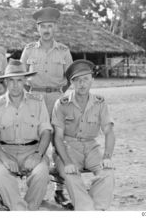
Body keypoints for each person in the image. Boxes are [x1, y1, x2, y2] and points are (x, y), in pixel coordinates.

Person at [20, 7, 73, 207]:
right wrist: (33, 94)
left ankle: (59, 191)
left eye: (50, 26)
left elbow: (69, 79)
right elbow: (22, 77)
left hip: (57, 100)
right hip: (34, 99)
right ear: (38, 29)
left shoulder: (64, 51)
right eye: (43, 26)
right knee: (33, 144)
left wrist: (57, 93)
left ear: (55, 27)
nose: (46, 30)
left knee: (59, 144)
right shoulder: (29, 50)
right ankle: (35, 190)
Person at [0, 59, 52, 210]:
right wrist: (4, 158)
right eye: (11, 81)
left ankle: (26, 209)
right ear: (5, 82)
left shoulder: (38, 101)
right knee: (0, 175)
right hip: (4, 152)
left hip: (32, 150)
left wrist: (38, 155)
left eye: (19, 80)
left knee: (41, 174)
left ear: (25, 81)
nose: (15, 85)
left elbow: (46, 132)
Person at [52, 59, 115, 210]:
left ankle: (95, 209)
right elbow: (58, 137)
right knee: (72, 176)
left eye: (85, 79)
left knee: (108, 173)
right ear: (71, 83)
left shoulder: (100, 102)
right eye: (77, 80)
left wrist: (107, 156)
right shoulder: (61, 104)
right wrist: (67, 162)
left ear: (92, 80)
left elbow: (109, 131)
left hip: (91, 147)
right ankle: (87, 209)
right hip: (68, 148)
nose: (82, 84)